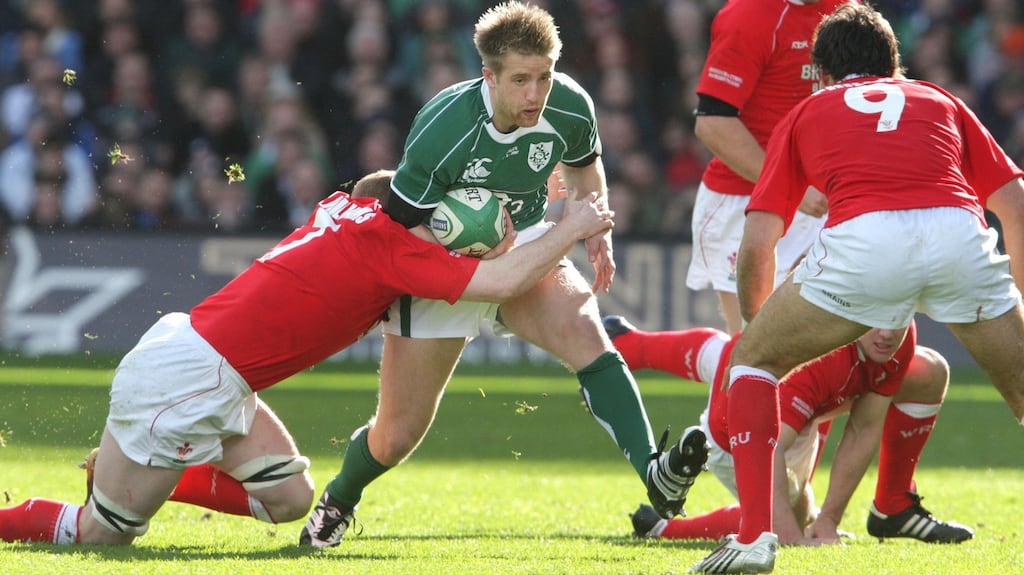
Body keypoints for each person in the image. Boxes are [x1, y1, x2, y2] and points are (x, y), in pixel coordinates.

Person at [0, 169, 615, 545]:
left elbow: (409, 204)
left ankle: (138, 473)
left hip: (208, 362)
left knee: (289, 498)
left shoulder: (343, 209)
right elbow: (502, 279)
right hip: (188, 382)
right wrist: (570, 225)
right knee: (100, 534)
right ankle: (76, 500)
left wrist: (526, 196)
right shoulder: (391, 250)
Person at [300, 1, 707, 548]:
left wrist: (597, 228)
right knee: (397, 435)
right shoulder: (444, 124)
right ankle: (339, 499)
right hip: (442, 264)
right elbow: (400, 229)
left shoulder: (570, 105)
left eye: (544, 76)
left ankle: (655, 473)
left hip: (528, 242)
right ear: (488, 76)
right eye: (520, 80)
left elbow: (586, 170)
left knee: (585, 331)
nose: (535, 93)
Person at [693, 5, 1024, 573]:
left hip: (865, 241)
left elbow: (758, 243)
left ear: (819, 73)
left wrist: (762, 338)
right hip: (957, 233)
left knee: (750, 362)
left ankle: (754, 541)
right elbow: (1014, 207)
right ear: (895, 66)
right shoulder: (938, 98)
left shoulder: (806, 111)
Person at [602, 316, 972, 545]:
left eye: (897, 318)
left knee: (927, 369)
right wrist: (795, 536)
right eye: (877, 320)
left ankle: (627, 345)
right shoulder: (818, 361)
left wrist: (829, 521)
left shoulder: (894, 334)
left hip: (780, 380)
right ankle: (662, 528)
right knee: (784, 523)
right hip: (737, 434)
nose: (887, 333)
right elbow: (770, 445)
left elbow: (864, 428)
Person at [687, 0, 849, 334]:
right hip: (745, 202)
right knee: (758, 350)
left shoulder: (847, 8)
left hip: (823, 199)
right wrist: (791, 185)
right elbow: (713, 123)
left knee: (842, 351)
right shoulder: (749, 16)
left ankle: (638, 344)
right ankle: (638, 346)